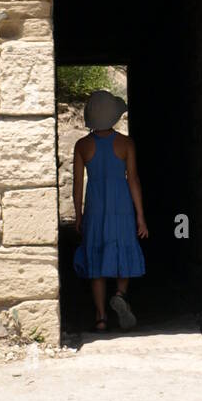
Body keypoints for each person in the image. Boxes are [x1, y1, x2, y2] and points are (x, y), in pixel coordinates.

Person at [73, 90, 148, 332]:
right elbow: (133, 180)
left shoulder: (82, 146)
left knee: (96, 259)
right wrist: (140, 216)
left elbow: (77, 184)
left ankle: (101, 317)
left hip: (96, 207)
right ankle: (120, 294)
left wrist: (78, 215)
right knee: (123, 250)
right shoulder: (126, 143)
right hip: (122, 206)